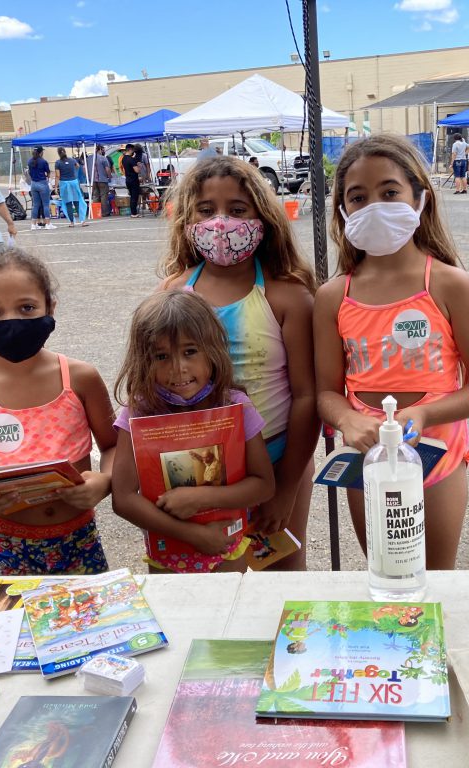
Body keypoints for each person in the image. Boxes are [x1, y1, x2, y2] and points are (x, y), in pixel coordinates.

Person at [313, 135, 469, 569]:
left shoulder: (451, 285)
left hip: (437, 457)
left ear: (420, 198)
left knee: (436, 580)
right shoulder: (332, 296)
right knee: (384, 574)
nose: (373, 206)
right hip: (367, 462)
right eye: (357, 197)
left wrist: (424, 415)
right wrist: (348, 419)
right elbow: (326, 392)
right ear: (342, 211)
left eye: (389, 192)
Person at [158, 156, 318, 570]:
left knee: (281, 576)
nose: (221, 222)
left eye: (237, 210)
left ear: (262, 217)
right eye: (207, 211)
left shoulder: (288, 297)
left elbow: (306, 396)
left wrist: (285, 490)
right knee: (214, 578)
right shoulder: (174, 293)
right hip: (203, 470)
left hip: (281, 459)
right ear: (188, 220)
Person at [0, 247, 117, 575]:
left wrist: (104, 482)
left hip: (79, 539)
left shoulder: (81, 378)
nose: (12, 322)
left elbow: (113, 444)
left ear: (50, 307)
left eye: (26, 308)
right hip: (7, 549)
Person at [111, 290, 275, 573]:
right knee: (175, 618)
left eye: (190, 351)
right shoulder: (138, 412)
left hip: (226, 550)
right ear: (143, 361)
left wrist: (199, 498)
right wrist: (192, 535)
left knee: (231, 613)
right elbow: (123, 498)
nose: (178, 368)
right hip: (166, 556)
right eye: (161, 356)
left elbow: (263, 484)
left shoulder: (235, 406)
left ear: (212, 350)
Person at [54, 147, 87, 228]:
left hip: (64, 184)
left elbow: (58, 175)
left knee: (68, 203)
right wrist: (74, 172)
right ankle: (82, 221)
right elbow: (78, 166)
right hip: (74, 182)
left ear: (58, 154)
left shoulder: (58, 163)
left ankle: (72, 222)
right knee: (77, 201)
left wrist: (55, 187)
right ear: (65, 152)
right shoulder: (72, 160)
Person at [25, 146, 54, 231]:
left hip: (33, 184)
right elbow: (48, 172)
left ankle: (33, 225)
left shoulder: (29, 161)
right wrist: (47, 179)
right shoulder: (43, 161)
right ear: (41, 152)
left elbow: (29, 173)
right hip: (42, 183)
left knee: (35, 205)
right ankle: (48, 224)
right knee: (45, 204)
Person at [88, 145, 113, 217]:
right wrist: (109, 176)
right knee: (103, 196)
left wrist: (89, 176)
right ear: (100, 150)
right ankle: (104, 212)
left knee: (95, 196)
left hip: (93, 180)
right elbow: (107, 169)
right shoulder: (103, 158)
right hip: (103, 180)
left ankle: (96, 213)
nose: (103, 151)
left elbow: (84, 168)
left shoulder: (89, 158)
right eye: (103, 150)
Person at [120, 145, 143, 218]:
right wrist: (139, 166)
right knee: (134, 197)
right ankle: (134, 213)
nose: (133, 152)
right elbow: (137, 170)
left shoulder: (123, 159)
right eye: (133, 150)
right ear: (130, 150)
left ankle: (133, 212)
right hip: (134, 180)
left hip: (128, 180)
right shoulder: (131, 159)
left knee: (132, 197)